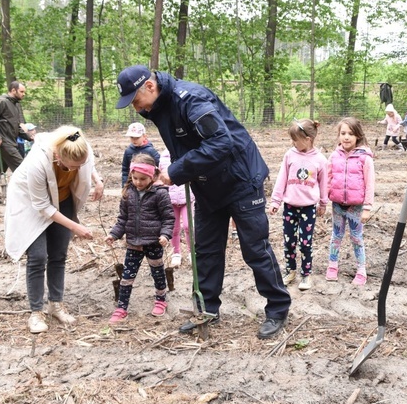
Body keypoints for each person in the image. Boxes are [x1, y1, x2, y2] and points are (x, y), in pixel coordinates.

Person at [114, 65, 291, 340]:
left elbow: (222, 143)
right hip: (208, 185)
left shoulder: (191, 99)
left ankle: (278, 309)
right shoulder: (158, 108)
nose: (136, 109)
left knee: (255, 248)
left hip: (240, 179)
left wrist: (175, 172)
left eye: (135, 100)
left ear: (149, 86)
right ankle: (207, 309)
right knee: (206, 249)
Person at [4, 126, 105, 333]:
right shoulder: (37, 162)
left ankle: (55, 304)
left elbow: (89, 162)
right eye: (71, 167)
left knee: (59, 253)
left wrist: (97, 181)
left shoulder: (77, 143)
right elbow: (42, 207)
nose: (76, 170)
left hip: (63, 197)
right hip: (31, 203)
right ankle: (36, 312)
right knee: (38, 256)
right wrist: (75, 226)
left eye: (80, 166)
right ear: (58, 156)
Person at [106, 153, 175, 323]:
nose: (138, 182)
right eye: (135, 178)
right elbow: (122, 219)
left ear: (152, 176)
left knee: (157, 273)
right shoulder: (128, 193)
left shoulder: (160, 194)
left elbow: (168, 218)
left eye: (143, 179)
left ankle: (160, 299)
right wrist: (114, 234)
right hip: (133, 243)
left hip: (153, 243)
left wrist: (165, 235)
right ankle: (122, 307)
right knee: (127, 276)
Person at [269, 119, 328, 291]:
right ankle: (290, 270)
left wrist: (323, 203)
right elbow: (282, 179)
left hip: (308, 209)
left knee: (305, 243)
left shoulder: (320, 160)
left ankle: (306, 274)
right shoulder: (290, 155)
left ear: (308, 139)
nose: (293, 143)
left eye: (296, 139)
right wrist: (275, 201)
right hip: (289, 207)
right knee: (289, 241)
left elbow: (324, 183)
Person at [325, 117, 375, 286]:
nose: (346, 137)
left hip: (356, 206)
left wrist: (367, 207)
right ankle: (332, 265)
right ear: (339, 135)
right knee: (336, 235)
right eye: (343, 133)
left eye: (351, 134)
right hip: (337, 204)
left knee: (356, 237)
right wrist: (324, 199)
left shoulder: (365, 158)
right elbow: (328, 178)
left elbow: (370, 183)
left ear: (358, 136)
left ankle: (361, 269)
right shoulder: (334, 156)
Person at [0, 81, 33, 205]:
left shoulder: (14, 104)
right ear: (13, 90)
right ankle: (30, 196)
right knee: (22, 169)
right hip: (5, 143)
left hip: (11, 141)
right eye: (22, 92)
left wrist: (30, 137)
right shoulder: (2, 101)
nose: (24, 94)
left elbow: (16, 127)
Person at [159, 149, 195, 268]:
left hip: (187, 198)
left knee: (188, 225)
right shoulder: (163, 159)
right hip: (171, 200)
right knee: (174, 228)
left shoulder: (187, 155)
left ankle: (192, 252)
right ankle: (176, 253)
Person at [121, 122, 161, 187]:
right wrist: (125, 185)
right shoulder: (128, 151)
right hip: (133, 184)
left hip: (148, 184)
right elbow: (125, 170)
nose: (134, 140)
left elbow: (159, 166)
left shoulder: (151, 151)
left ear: (144, 136)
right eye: (132, 137)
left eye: (137, 137)